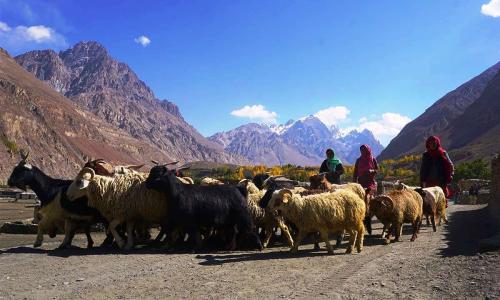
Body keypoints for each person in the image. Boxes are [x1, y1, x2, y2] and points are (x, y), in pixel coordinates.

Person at [420, 136, 454, 205]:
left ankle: (441, 214)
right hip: (429, 181)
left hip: (441, 180)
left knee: (441, 200)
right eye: (431, 143)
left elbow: (450, 164)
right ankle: (432, 215)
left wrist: (451, 174)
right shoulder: (426, 155)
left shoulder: (443, 153)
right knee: (430, 200)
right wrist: (422, 180)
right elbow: (423, 168)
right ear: (428, 144)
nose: (432, 145)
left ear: (437, 143)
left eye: (434, 143)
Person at [353, 144, 379, 235]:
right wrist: (354, 184)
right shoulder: (358, 160)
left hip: (370, 184)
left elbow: (377, 170)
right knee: (360, 202)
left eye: (364, 150)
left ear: (368, 150)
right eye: (361, 150)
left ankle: (368, 221)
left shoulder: (372, 159)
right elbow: (355, 173)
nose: (362, 151)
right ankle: (363, 223)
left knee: (369, 201)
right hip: (361, 184)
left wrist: (372, 171)